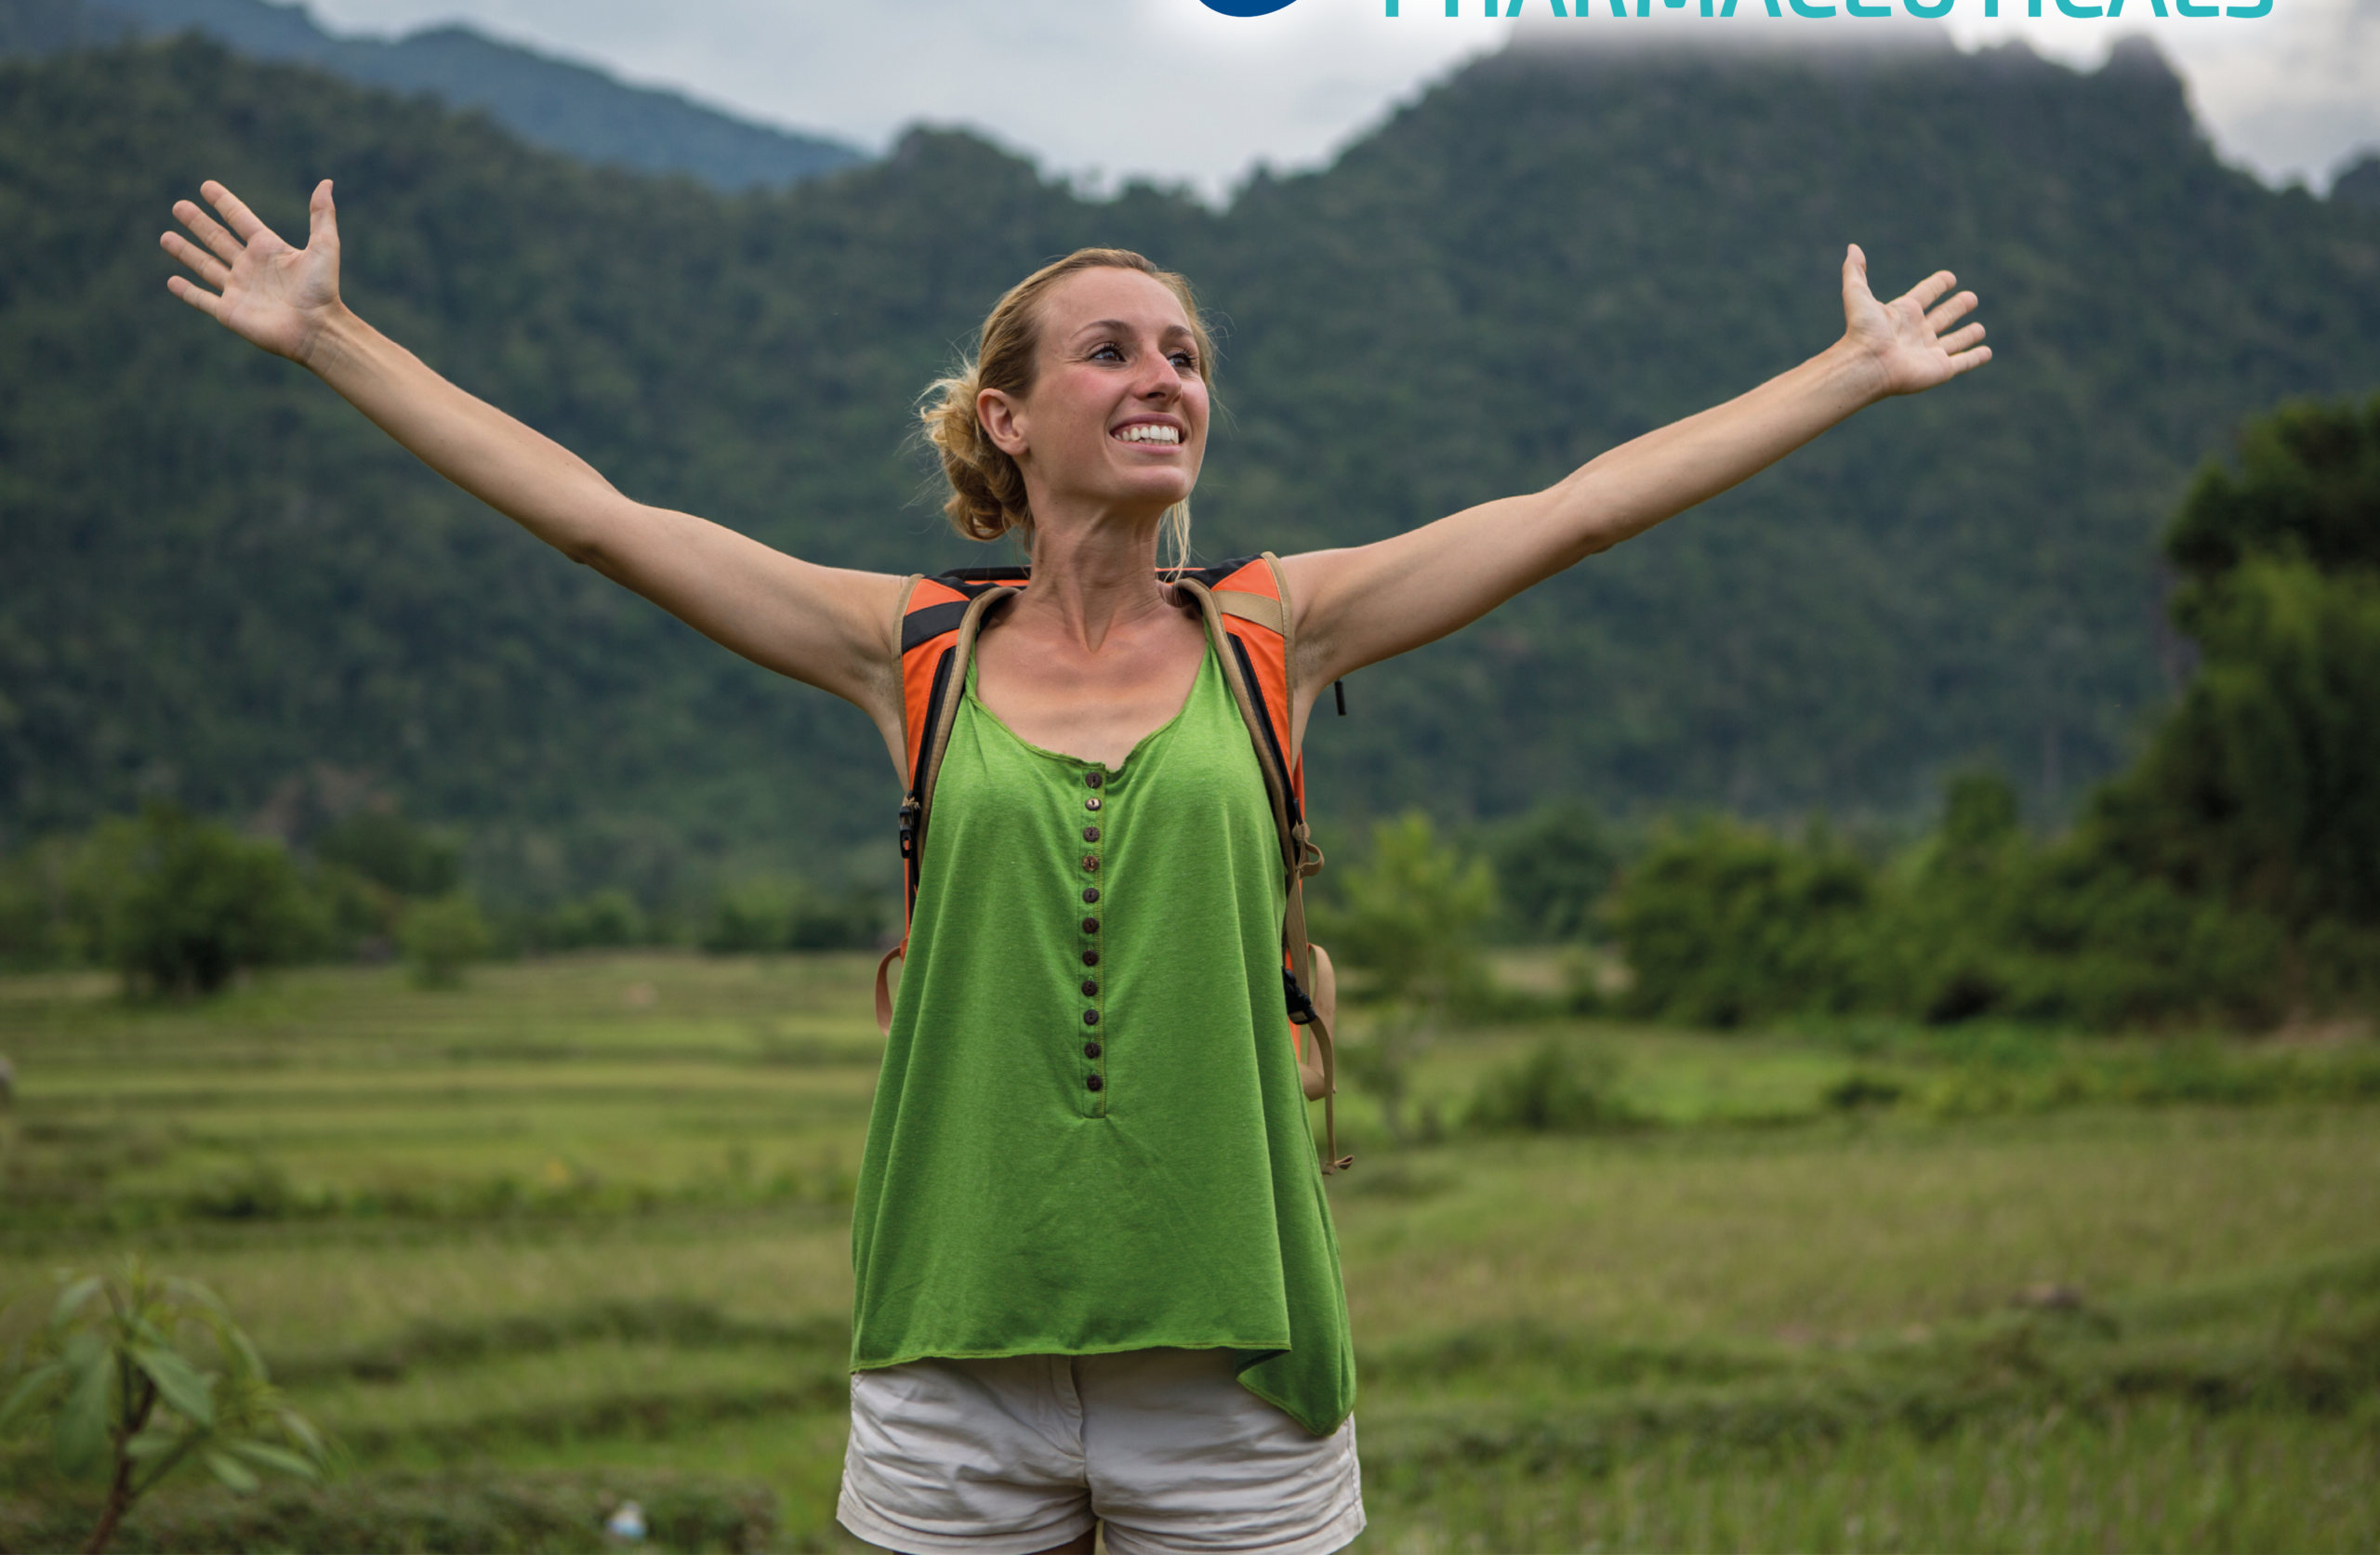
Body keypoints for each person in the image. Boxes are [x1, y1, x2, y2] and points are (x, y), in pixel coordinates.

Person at [162, 179, 1987, 1555]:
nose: (1160, 376)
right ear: (1006, 421)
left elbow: (1573, 507)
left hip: (1235, 1376)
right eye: (1109, 349)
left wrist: (1838, 376)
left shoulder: (1282, 630)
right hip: (955, 1372)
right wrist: (331, 337)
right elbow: (595, 518)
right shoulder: (908, 650)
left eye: (1184, 353)